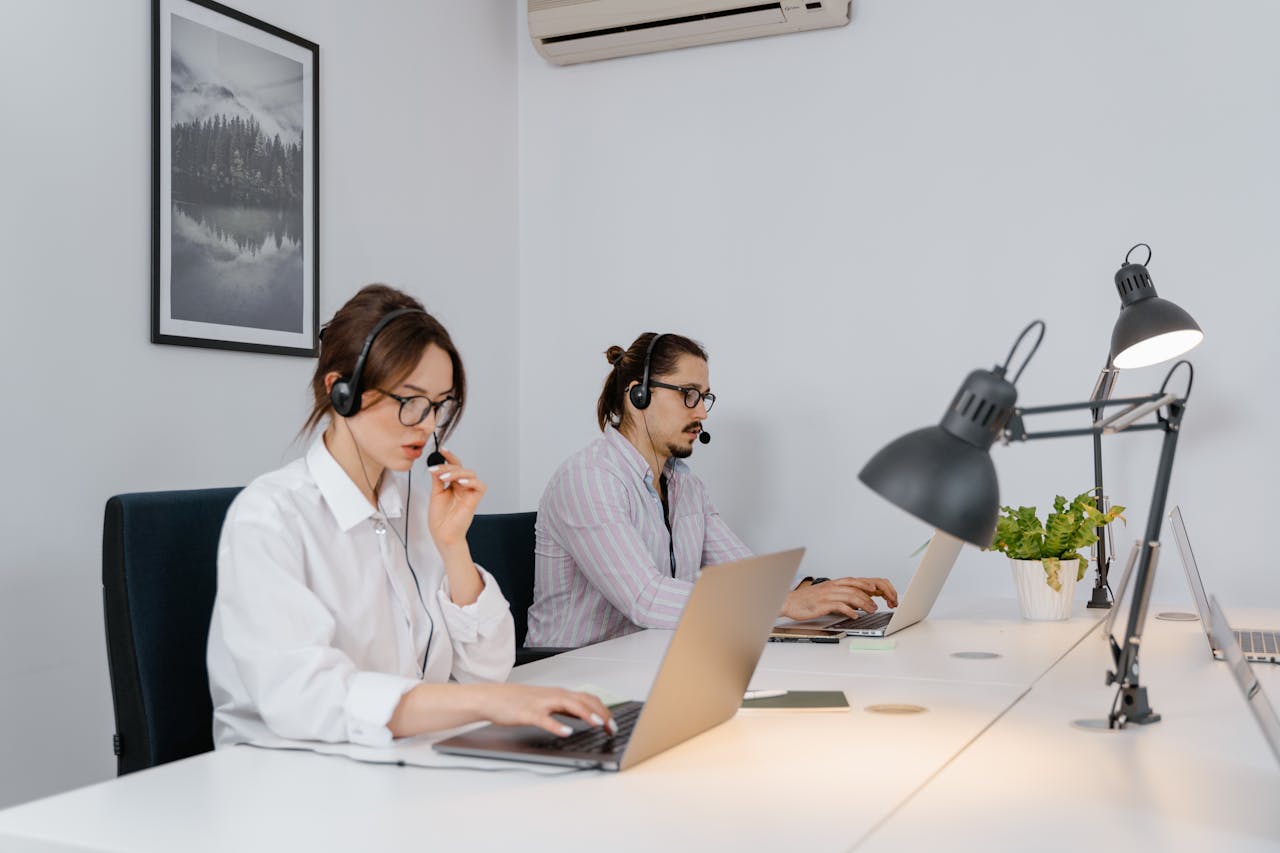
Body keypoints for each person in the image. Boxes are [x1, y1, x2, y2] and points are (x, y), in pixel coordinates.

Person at [207, 284, 612, 747]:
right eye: (410, 400)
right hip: (292, 778)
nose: (428, 424)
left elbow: (487, 670)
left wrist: (454, 547)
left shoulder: (418, 509)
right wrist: (486, 705)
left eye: (439, 404)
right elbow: (308, 698)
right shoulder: (269, 518)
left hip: (406, 764)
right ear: (340, 392)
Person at [526, 332, 899, 648]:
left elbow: (744, 575)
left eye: (704, 397)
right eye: (688, 394)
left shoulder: (685, 485)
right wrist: (784, 603)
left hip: (651, 659)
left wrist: (819, 591)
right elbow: (645, 599)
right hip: (573, 676)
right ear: (638, 395)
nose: (702, 412)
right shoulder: (589, 479)